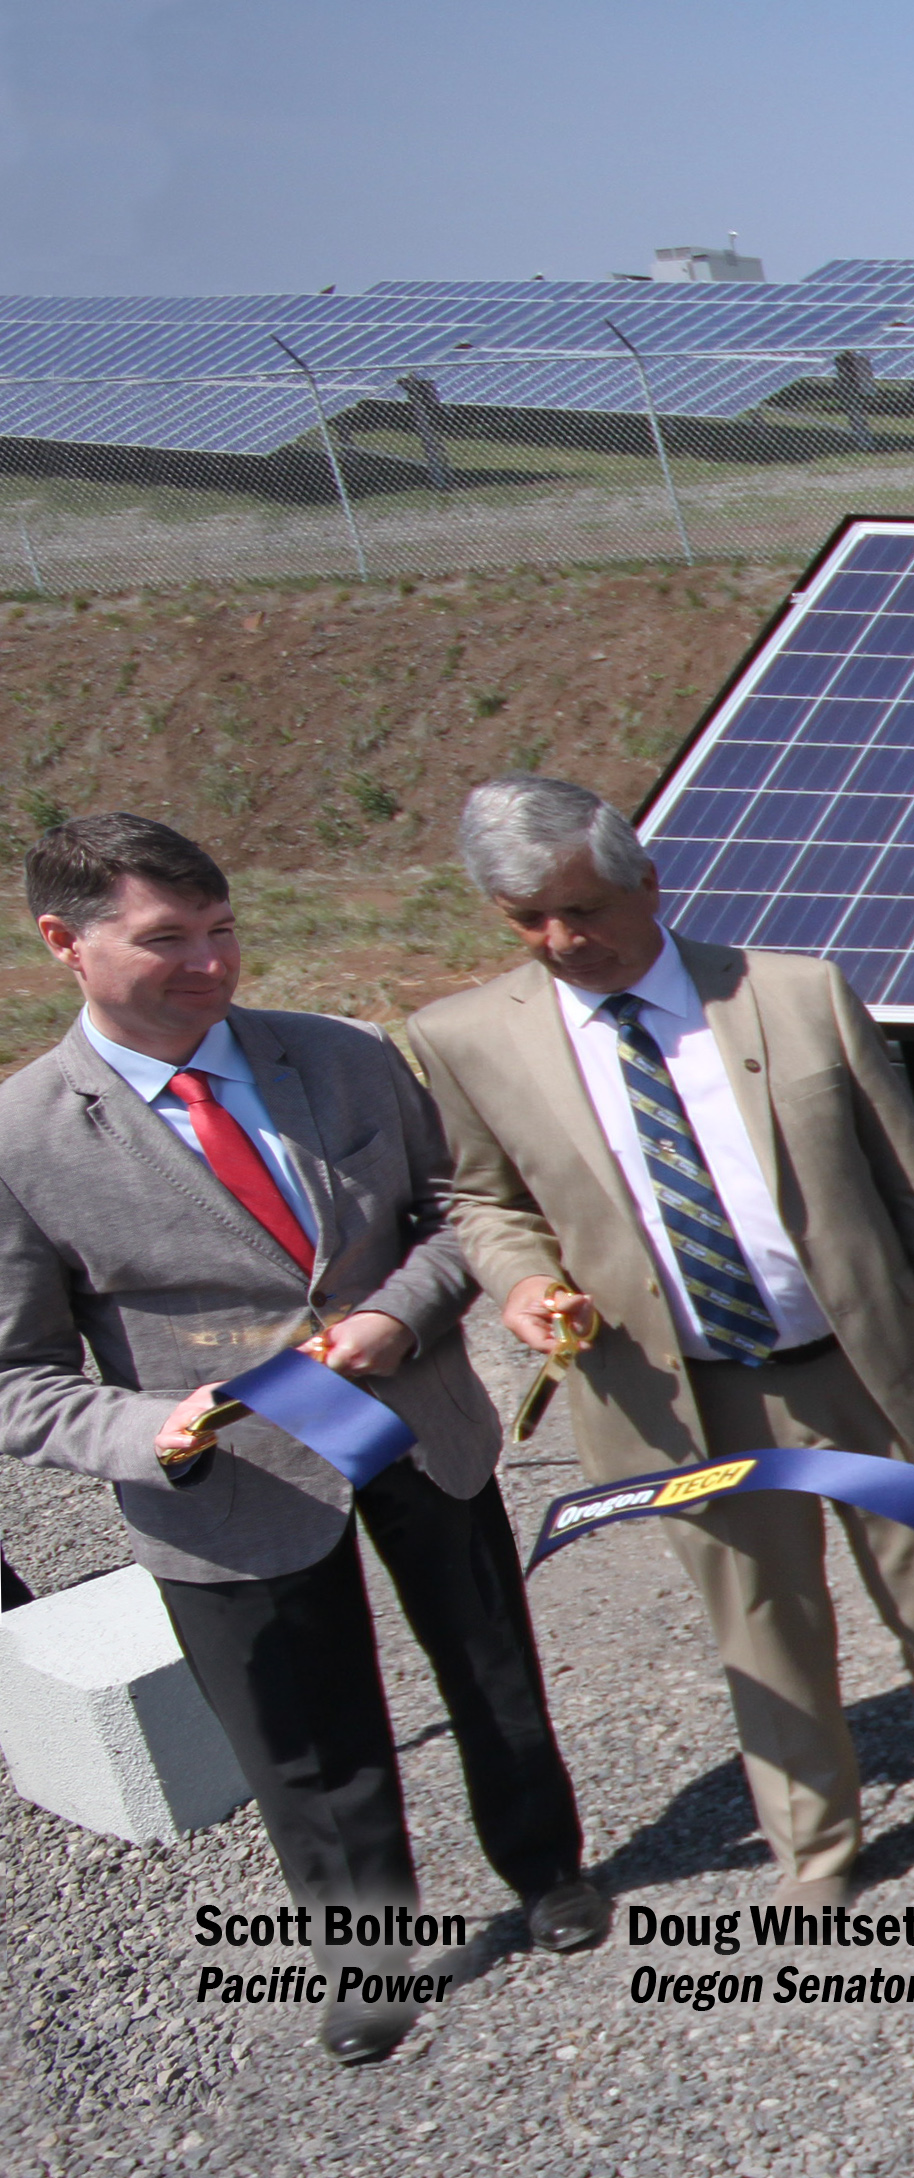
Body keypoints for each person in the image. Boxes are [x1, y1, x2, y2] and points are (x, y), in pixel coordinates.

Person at [408, 776, 914, 1907]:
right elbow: (481, 1200)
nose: (562, 940)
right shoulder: (464, 1036)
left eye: (583, 909)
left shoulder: (794, 994)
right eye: (529, 921)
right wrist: (525, 1282)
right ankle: (816, 1846)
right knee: (761, 1623)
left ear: (647, 882)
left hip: (863, 1362)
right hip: (683, 1390)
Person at [0, 815, 603, 2066]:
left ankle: (546, 1866)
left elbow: (455, 1214)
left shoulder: (342, 1057)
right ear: (63, 941)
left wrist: (398, 1311)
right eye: (167, 941)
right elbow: (17, 1377)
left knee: (489, 1667)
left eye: (222, 931)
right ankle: (368, 1960)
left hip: (415, 1422)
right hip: (228, 1482)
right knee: (305, 1734)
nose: (212, 965)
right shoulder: (22, 1142)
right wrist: (143, 1429)